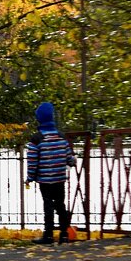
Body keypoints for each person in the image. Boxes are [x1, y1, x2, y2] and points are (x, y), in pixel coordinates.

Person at [26, 102, 76, 245]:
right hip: (60, 179)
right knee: (60, 205)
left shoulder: (37, 139)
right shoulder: (61, 136)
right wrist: (73, 161)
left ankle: (48, 235)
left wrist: (30, 177)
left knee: (48, 205)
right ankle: (64, 234)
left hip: (45, 180)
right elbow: (68, 157)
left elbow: (32, 161)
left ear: (39, 119)